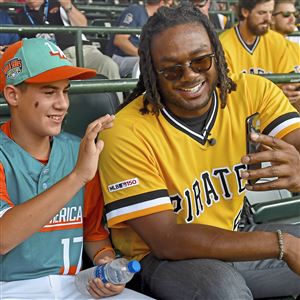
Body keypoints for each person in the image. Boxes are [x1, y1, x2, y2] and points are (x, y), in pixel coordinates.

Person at [98, 4, 300, 299]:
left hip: (234, 237)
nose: (189, 75)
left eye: (201, 61)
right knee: (221, 289)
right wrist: (282, 244)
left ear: (217, 56)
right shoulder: (125, 131)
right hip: (161, 262)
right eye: (171, 69)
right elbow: (167, 240)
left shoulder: (252, 91)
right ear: (152, 72)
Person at [0, 38, 150, 300]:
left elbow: (93, 235)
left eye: (66, 91)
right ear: (13, 95)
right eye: (49, 92)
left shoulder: (76, 151)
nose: (62, 104)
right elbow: (3, 238)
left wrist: (106, 264)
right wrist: (78, 176)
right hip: (10, 289)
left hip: (75, 286)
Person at [13, 0, 121, 87]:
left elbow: (83, 25)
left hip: (83, 48)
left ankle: (118, 111)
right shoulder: (19, 16)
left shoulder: (59, 3)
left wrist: (68, 7)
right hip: (54, 57)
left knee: (108, 64)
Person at [219, 0, 300, 111]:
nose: (268, 18)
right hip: (240, 112)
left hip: (273, 110)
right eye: (262, 13)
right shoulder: (224, 44)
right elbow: (229, 93)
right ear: (245, 12)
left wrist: (290, 90)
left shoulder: (277, 41)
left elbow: (287, 81)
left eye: (270, 12)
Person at [106, 0, 170, 78]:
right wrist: (143, 55)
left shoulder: (157, 20)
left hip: (137, 58)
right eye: (168, 5)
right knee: (146, 62)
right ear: (161, 3)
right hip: (119, 58)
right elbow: (120, 40)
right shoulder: (135, 11)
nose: (169, 9)